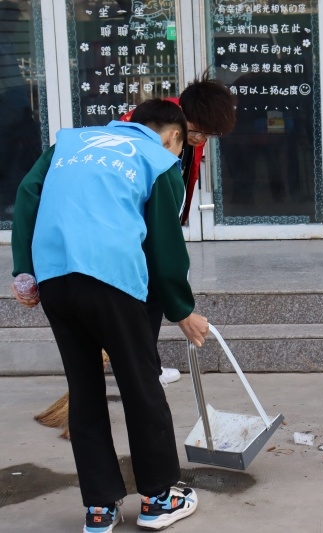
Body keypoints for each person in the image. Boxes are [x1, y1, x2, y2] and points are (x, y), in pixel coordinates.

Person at [10, 98, 209, 531]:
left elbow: (27, 193)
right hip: (112, 280)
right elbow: (164, 244)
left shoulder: (69, 143)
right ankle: (158, 499)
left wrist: (24, 268)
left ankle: (99, 508)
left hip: (56, 278)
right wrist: (182, 310)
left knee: (84, 390)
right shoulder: (159, 160)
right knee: (141, 386)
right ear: (174, 136)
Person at [121, 72, 236, 384]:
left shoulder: (190, 130)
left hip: (154, 223)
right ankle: (143, 370)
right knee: (150, 293)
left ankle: (146, 366)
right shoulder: (148, 124)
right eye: (197, 133)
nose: (201, 140)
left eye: (208, 136)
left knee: (153, 294)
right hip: (130, 226)